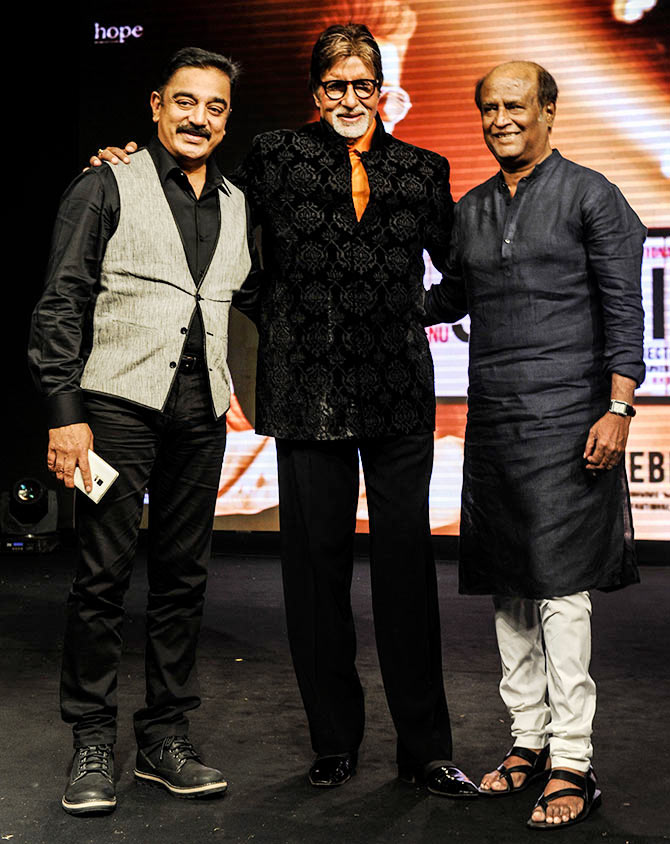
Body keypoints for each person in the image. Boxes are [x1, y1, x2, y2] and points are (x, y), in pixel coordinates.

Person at [95, 22, 476, 796]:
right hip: (307, 391)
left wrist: (412, 310)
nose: (347, 98)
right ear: (315, 92)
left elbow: (462, 274)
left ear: (381, 89)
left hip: (400, 392)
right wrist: (127, 164)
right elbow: (215, 232)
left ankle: (426, 751)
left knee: (406, 573)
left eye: (360, 84)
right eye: (333, 85)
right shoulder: (276, 157)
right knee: (314, 575)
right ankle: (333, 743)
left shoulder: (423, 170)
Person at [28, 47, 260, 815]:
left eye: (216, 106)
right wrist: (66, 416)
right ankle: (92, 737)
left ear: (228, 117)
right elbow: (60, 302)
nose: (200, 117)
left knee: (184, 581)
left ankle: (165, 736)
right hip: (117, 408)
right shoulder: (105, 184)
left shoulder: (236, 201)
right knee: (101, 580)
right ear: (157, 105)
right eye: (186, 102)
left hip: (200, 415)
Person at [423, 61, 646, 829]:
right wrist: (367, 302)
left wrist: (618, 408)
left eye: (514, 105)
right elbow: (452, 294)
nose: (499, 119)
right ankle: (526, 741)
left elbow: (624, 310)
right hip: (495, 420)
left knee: (559, 590)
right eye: (488, 108)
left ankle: (574, 761)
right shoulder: (474, 207)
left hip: (568, 417)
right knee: (509, 583)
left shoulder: (593, 195)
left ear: (550, 110)